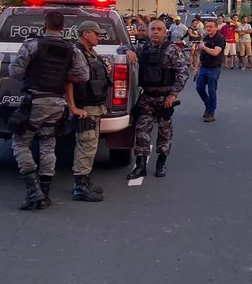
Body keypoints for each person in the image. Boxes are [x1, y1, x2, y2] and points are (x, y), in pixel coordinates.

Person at [8, 10, 90, 211]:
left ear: (44, 25)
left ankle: (33, 190)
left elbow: (15, 71)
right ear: (63, 27)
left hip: (35, 101)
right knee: (47, 144)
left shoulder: (33, 44)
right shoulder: (71, 49)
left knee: (20, 142)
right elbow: (83, 75)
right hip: (57, 103)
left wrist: (33, 77)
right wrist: (63, 77)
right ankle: (44, 194)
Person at [122, 20, 189, 179]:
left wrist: (173, 94)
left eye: (159, 29)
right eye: (152, 29)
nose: (155, 32)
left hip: (165, 98)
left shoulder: (172, 50)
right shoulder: (142, 48)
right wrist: (127, 51)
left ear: (165, 32)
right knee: (142, 132)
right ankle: (140, 166)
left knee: (165, 132)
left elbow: (183, 73)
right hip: (146, 97)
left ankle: (161, 163)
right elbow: (122, 46)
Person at [67, 21, 111, 202]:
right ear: (86, 34)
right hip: (85, 107)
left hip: (94, 106)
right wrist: (73, 107)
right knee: (86, 145)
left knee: (90, 145)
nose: (99, 37)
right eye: (96, 33)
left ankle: (85, 181)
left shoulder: (90, 53)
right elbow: (68, 81)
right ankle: (80, 186)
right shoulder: (77, 54)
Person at [195, 18, 226, 122]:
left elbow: (215, 52)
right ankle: (208, 105)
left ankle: (211, 112)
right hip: (203, 67)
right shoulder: (205, 38)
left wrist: (204, 47)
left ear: (216, 28)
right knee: (199, 88)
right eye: (207, 26)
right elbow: (201, 54)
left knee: (212, 90)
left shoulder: (220, 39)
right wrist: (196, 68)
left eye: (211, 26)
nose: (208, 28)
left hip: (214, 68)